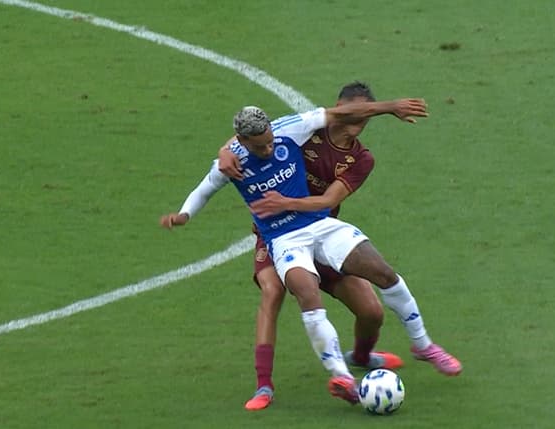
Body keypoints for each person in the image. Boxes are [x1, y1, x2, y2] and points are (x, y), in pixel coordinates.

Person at [161, 99, 460, 406]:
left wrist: (389, 107)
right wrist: (183, 215)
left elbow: (338, 114)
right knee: (302, 293)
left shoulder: (290, 130)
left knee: (384, 274)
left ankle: (422, 345)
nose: (267, 150)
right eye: (259, 147)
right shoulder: (230, 163)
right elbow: (204, 189)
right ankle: (340, 377)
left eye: (269, 143)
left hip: (320, 225)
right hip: (283, 240)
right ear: (243, 142)